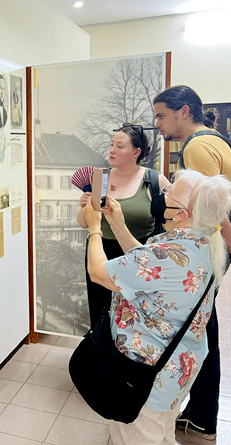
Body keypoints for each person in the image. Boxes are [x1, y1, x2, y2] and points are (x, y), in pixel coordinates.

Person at [83, 169, 231, 445]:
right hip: (174, 371)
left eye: (171, 191)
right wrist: (117, 222)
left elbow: (98, 272)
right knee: (163, 436)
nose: (165, 194)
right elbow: (145, 269)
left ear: (181, 214)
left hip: (144, 378)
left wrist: (95, 228)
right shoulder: (202, 244)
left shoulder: (166, 256)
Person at [154, 85, 231, 439]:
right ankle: (200, 411)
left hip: (203, 248)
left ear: (184, 111)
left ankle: (202, 415)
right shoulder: (216, 139)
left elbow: (211, 207)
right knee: (202, 325)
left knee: (199, 331)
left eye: (162, 115)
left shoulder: (197, 147)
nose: (158, 124)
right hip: (215, 246)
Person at [77, 125, 170, 328]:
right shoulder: (100, 178)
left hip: (137, 253)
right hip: (100, 252)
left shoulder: (154, 181)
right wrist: (84, 207)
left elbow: (173, 220)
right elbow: (84, 223)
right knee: (101, 312)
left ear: (136, 152)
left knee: (136, 316)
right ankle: (99, 355)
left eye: (119, 146)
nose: (111, 150)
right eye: (111, 145)